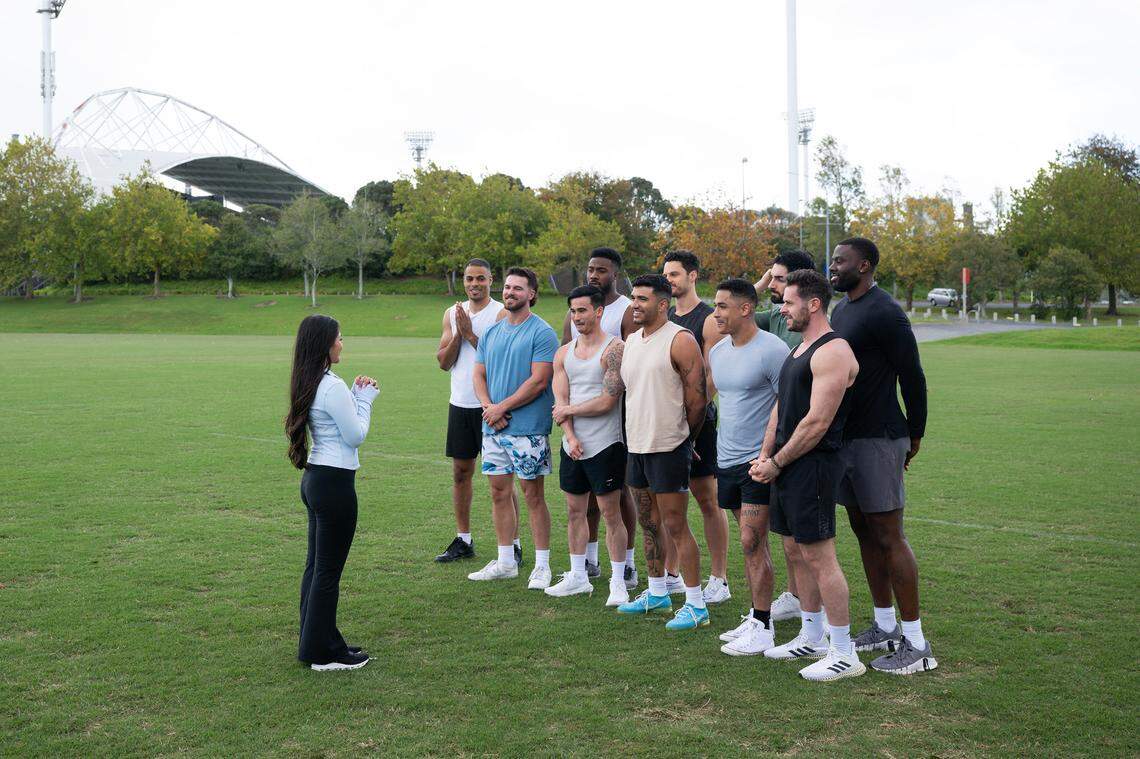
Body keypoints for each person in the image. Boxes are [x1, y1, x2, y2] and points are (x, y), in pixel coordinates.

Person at [829, 237, 937, 675]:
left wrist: (915, 433)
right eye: (833, 260)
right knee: (863, 530)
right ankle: (885, 626)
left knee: (889, 534)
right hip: (847, 438)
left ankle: (917, 644)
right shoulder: (842, 310)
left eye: (840, 261)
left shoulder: (886, 311)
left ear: (865, 265)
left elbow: (913, 375)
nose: (832, 266)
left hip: (880, 437)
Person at [751, 269, 864, 681]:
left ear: (813, 303)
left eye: (789, 301)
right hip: (786, 464)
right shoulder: (799, 348)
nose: (782, 308)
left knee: (820, 556)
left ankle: (843, 651)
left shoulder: (833, 351)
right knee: (796, 551)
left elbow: (817, 422)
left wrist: (777, 462)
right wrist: (766, 455)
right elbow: (782, 409)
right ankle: (812, 635)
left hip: (814, 465)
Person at [616, 274, 710, 631]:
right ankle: (656, 593)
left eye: (642, 299)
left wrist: (687, 439)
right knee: (648, 522)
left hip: (668, 446)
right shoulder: (631, 340)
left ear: (662, 304)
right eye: (633, 299)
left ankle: (696, 604)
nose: (635, 305)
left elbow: (698, 399)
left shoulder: (681, 340)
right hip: (636, 445)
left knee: (675, 524)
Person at [285, 315, 379, 671]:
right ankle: (322, 653)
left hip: (316, 479)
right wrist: (365, 399)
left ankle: (316, 640)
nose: (342, 343)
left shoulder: (309, 380)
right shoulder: (331, 385)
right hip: (335, 483)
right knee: (327, 571)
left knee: (316, 568)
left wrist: (354, 396)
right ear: (326, 344)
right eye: (339, 338)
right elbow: (355, 435)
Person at [707, 279, 790, 656]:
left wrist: (767, 455)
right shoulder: (719, 351)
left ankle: (764, 625)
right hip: (725, 460)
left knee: (751, 541)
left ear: (746, 309)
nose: (716, 313)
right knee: (750, 545)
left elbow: (786, 404)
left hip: (756, 463)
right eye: (715, 306)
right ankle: (758, 618)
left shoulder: (773, 350)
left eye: (723, 306)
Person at [468, 267, 559, 590]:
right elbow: (478, 374)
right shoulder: (492, 333)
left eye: (518, 289)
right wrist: (488, 408)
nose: (510, 293)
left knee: (533, 496)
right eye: (507, 288)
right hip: (493, 427)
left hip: (528, 429)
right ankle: (506, 561)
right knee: (497, 493)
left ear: (532, 294)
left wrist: (501, 408)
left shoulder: (542, 332)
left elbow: (539, 381)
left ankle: (542, 566)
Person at [559, 247, 639, 588]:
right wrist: (569, 427)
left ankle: (626, 570)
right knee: (579, 505)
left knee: (618, 499)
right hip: (575, 432)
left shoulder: (624, 313)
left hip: (614, 424)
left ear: (615, 274)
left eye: (601, 270)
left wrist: (568, 411)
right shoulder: (569, 336)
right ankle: (584, 567)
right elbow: (564, 372)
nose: (594, 274)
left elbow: (619, 384)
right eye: (590, 268)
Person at [548, 285, 630, 606]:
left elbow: (609, 401)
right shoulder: (563, 353)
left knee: (611, 515)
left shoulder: (615, 349)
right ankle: (578, 577)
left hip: (606, 444)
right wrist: (570, 436)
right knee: (574, 512)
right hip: (573, 446)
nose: (577, 317)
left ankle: (618, 582)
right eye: (573, 311)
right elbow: (560, 401)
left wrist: (569, 412)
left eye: (583, 310)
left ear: (598, 311)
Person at [434, 258, 516, 564]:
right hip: (460, 404)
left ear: (491, 280)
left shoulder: (501, 313)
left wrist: (469, 334)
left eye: (480, 278)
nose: (474, 284)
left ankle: (514, 544)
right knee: (460, 473)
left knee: (502, 479)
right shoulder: (451, 313)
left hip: (492, 407)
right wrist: (458, 332)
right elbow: (443, 362)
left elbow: (502, 360)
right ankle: (463, 539)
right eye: (469, 279)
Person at [752, 249, 817, 623]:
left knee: (807, 542)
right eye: (772, 279)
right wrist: (764, 283)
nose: (772, 286)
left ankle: (816, 619)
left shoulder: (812, 328)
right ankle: (796, 597)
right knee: (789, 537)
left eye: (780, 279)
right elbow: (726, 312)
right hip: (777, 434)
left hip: (802, 440)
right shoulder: (777, 314)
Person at [662, 250, 730, 605]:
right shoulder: (667, 317)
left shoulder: (706, 319)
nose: (669, 280)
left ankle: (719, 577)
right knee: (671, 498)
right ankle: (672, 573)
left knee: (707, 498)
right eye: (666, 275)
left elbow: (710, 377)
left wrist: (692, 421)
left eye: (675, 274)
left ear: (692, 275)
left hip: (699, 422)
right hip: (668, 421)